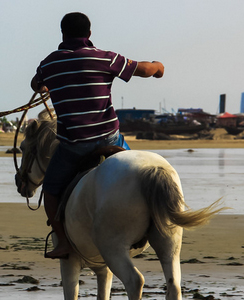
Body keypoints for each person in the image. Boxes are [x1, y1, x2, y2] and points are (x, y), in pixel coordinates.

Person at [31, 12, 164, 259]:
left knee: (50, 190)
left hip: (74, 145)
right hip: (109, 138)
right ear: (89, 34)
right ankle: (153, 225)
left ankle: (63, 243)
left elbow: (35, 84)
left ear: (62, 34)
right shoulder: (105, 58)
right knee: (137, 170)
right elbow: (144, 69)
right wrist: (158, 67)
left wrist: (46, 84)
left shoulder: (48, 63)